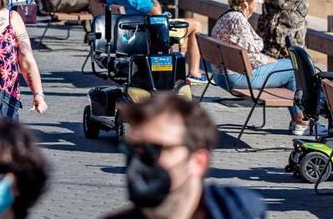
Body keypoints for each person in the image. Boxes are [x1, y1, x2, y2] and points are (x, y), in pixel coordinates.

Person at [104, 93, 267, 219]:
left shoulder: (237, 210)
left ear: (198, 161)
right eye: (131, 147)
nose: (137, 159)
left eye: (154, 148)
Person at [208, 0, 306, 131]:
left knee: (286, 67)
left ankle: (298, 118)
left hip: (221, 74)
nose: (257, 3)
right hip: (236, 77)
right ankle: (300, 120)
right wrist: (269, 60)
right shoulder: (238, 21)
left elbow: (244, 52)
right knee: (293, 68)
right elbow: (254, 49)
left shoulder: (227, 17)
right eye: (255, 0)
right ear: (246, 3)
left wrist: (268, 60)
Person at [96, 0, 206, 81]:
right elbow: (157, 15)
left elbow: (96, 0)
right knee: (196, 25)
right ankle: (194, 73)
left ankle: (180, 60)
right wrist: (155, 2)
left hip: (120, 32)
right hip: (142, 33)